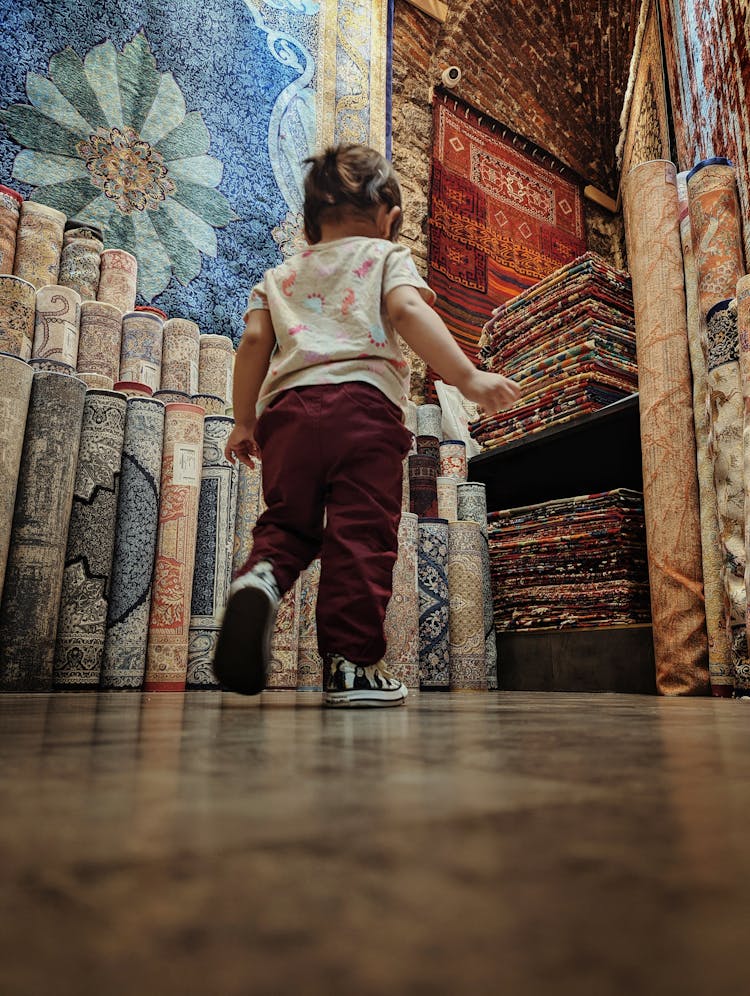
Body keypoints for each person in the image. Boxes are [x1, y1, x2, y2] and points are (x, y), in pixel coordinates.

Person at [213, 144, 520, 707]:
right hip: (364, 413)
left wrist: (243, 421)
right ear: (390, 215)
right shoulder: (385, 258)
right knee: (361, 534)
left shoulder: (280, 276)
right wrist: (469, 378)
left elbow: (254, 342)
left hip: (287, 419)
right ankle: (352, 667)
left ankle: (258, 579)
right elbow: (408, 312)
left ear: (310, 225)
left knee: (287, 523)